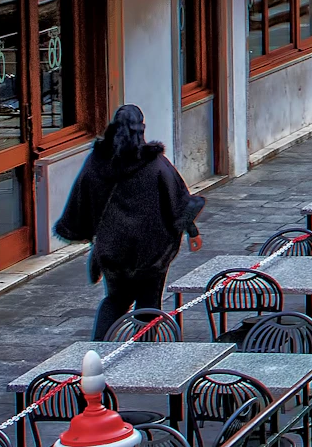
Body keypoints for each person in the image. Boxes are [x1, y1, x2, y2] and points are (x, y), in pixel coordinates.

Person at [54, 105, 205, 340]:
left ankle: (98, 352)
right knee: (148, 304)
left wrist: (85, 232)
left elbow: (81, 198)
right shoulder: (156, 165)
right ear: (141, 129)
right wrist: (192, 231)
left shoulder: (96, 162)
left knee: (115, 300)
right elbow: (178, 201)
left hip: (113, 251)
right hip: (151, 253)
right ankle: (143, 357)